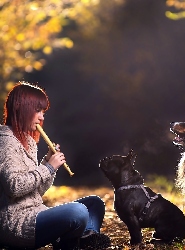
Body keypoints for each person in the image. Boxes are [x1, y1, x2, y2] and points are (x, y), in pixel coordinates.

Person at [0, 82, 110, 250]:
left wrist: (47, 163)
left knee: (95, 203)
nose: (42, 117)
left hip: (36, 213)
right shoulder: (5, 141)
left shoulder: (28, 141)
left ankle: (87, 239)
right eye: (38, 110)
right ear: (20, 108)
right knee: (78, 211)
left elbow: (35, 192)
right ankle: (70, 242)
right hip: (17, 224)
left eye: (43, 112)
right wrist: (48, 167)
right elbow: (14, 187)